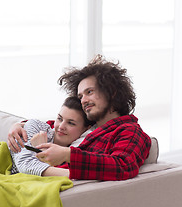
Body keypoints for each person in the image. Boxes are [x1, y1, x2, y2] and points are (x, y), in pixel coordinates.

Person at [8, 54, 151, 181]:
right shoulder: (90, 126)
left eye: (89, 92)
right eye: (80, 96)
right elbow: (54, 125)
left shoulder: (129, 131)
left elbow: (123, 166)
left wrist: (68, 155)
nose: (83, 100)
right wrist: (19, 126)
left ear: (111, 92)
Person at [10, 96, 94, 178]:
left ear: (86, 129)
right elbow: (24, 164)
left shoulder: (78, 151)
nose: (61, 126)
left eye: (71, 123)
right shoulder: (37, 127)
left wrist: (42, 151)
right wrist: (76, 174)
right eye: (59, 119)